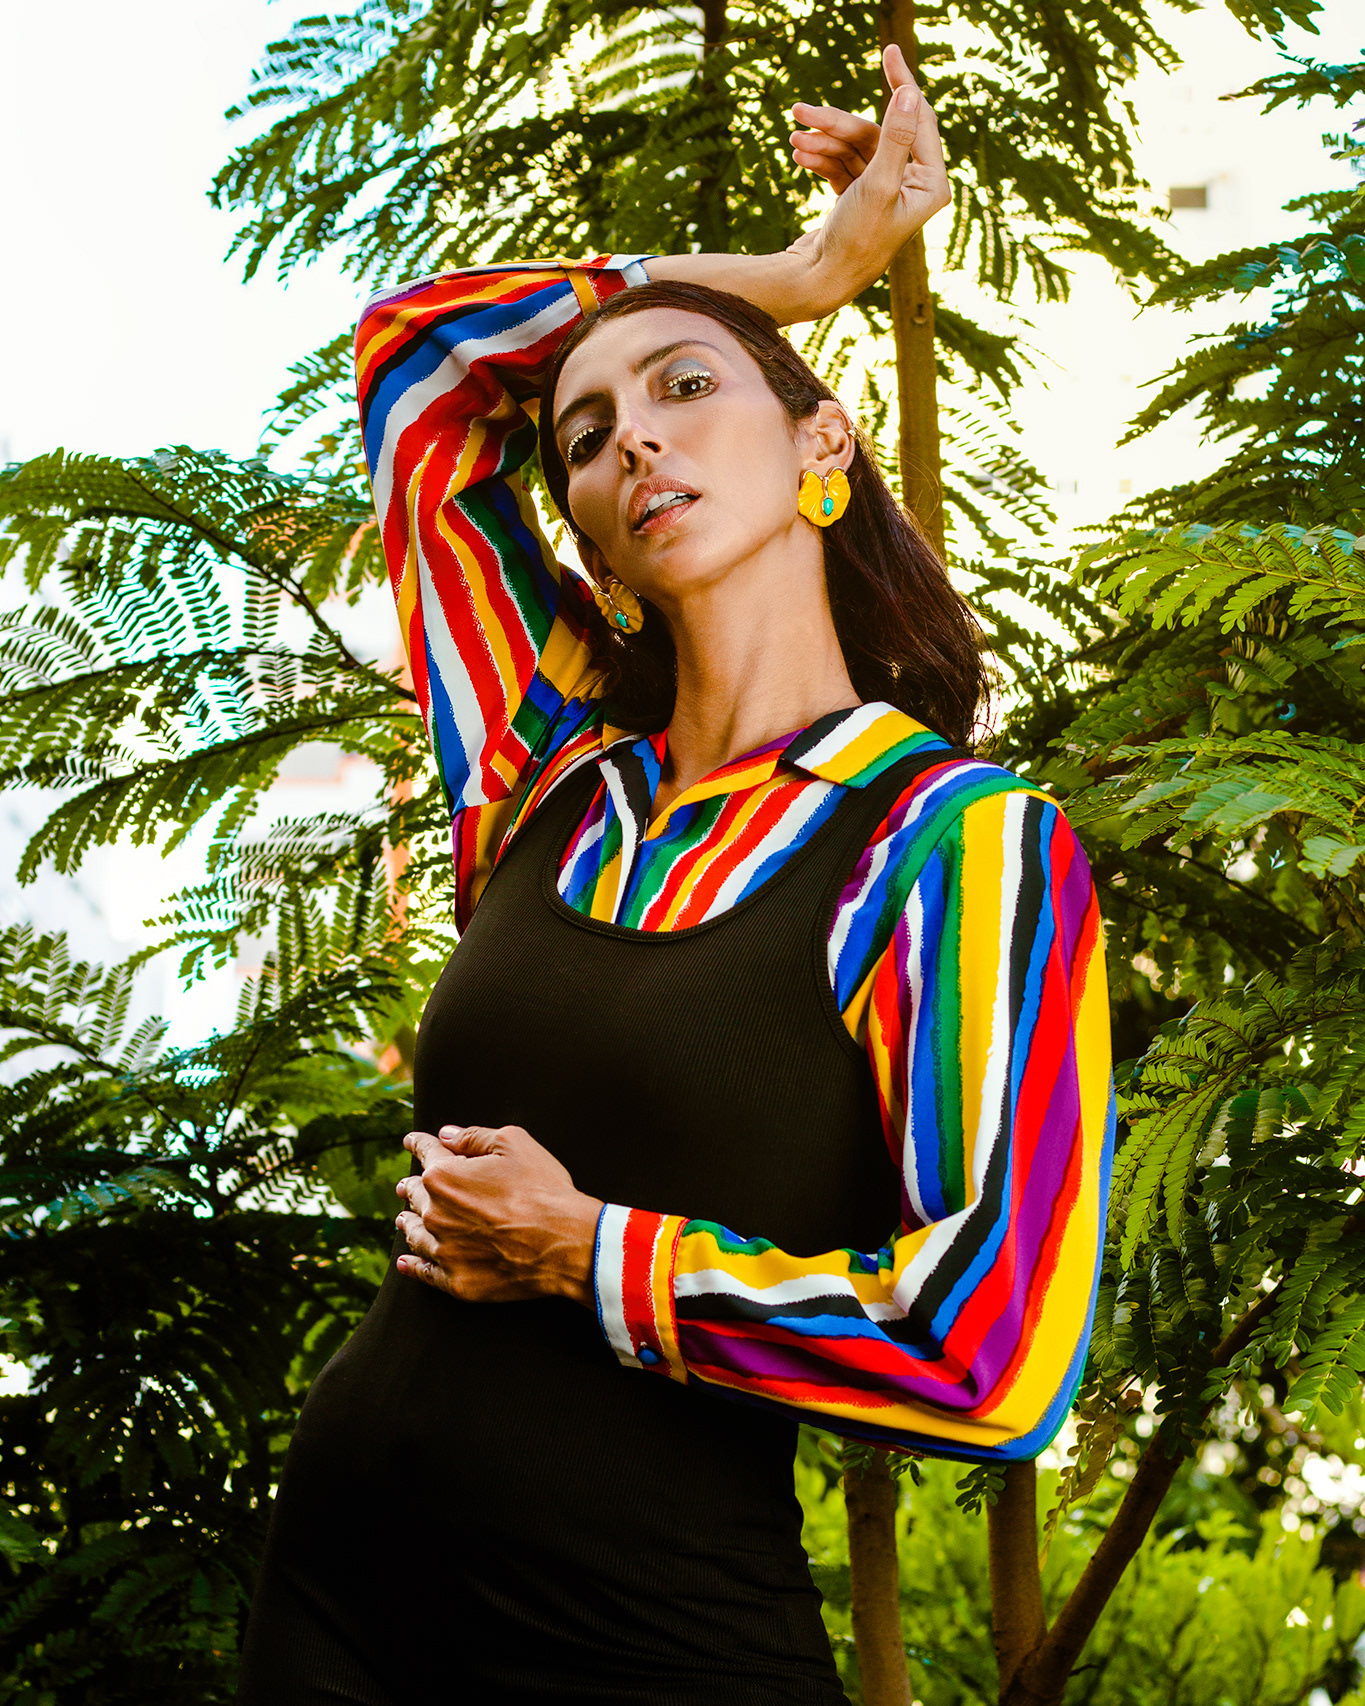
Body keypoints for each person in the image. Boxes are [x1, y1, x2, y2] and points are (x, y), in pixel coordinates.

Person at [237, 45, 1114, 1706]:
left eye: (689, 385)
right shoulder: (550, 768)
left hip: (645, 1637)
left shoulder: (952, 841)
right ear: (583, 526)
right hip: (339, 1601)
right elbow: (422, 364)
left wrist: (588, 1250)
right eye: (587, 433)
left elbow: (998, 1352)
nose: (632, 436)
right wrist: (803, 272)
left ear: (821, 444)